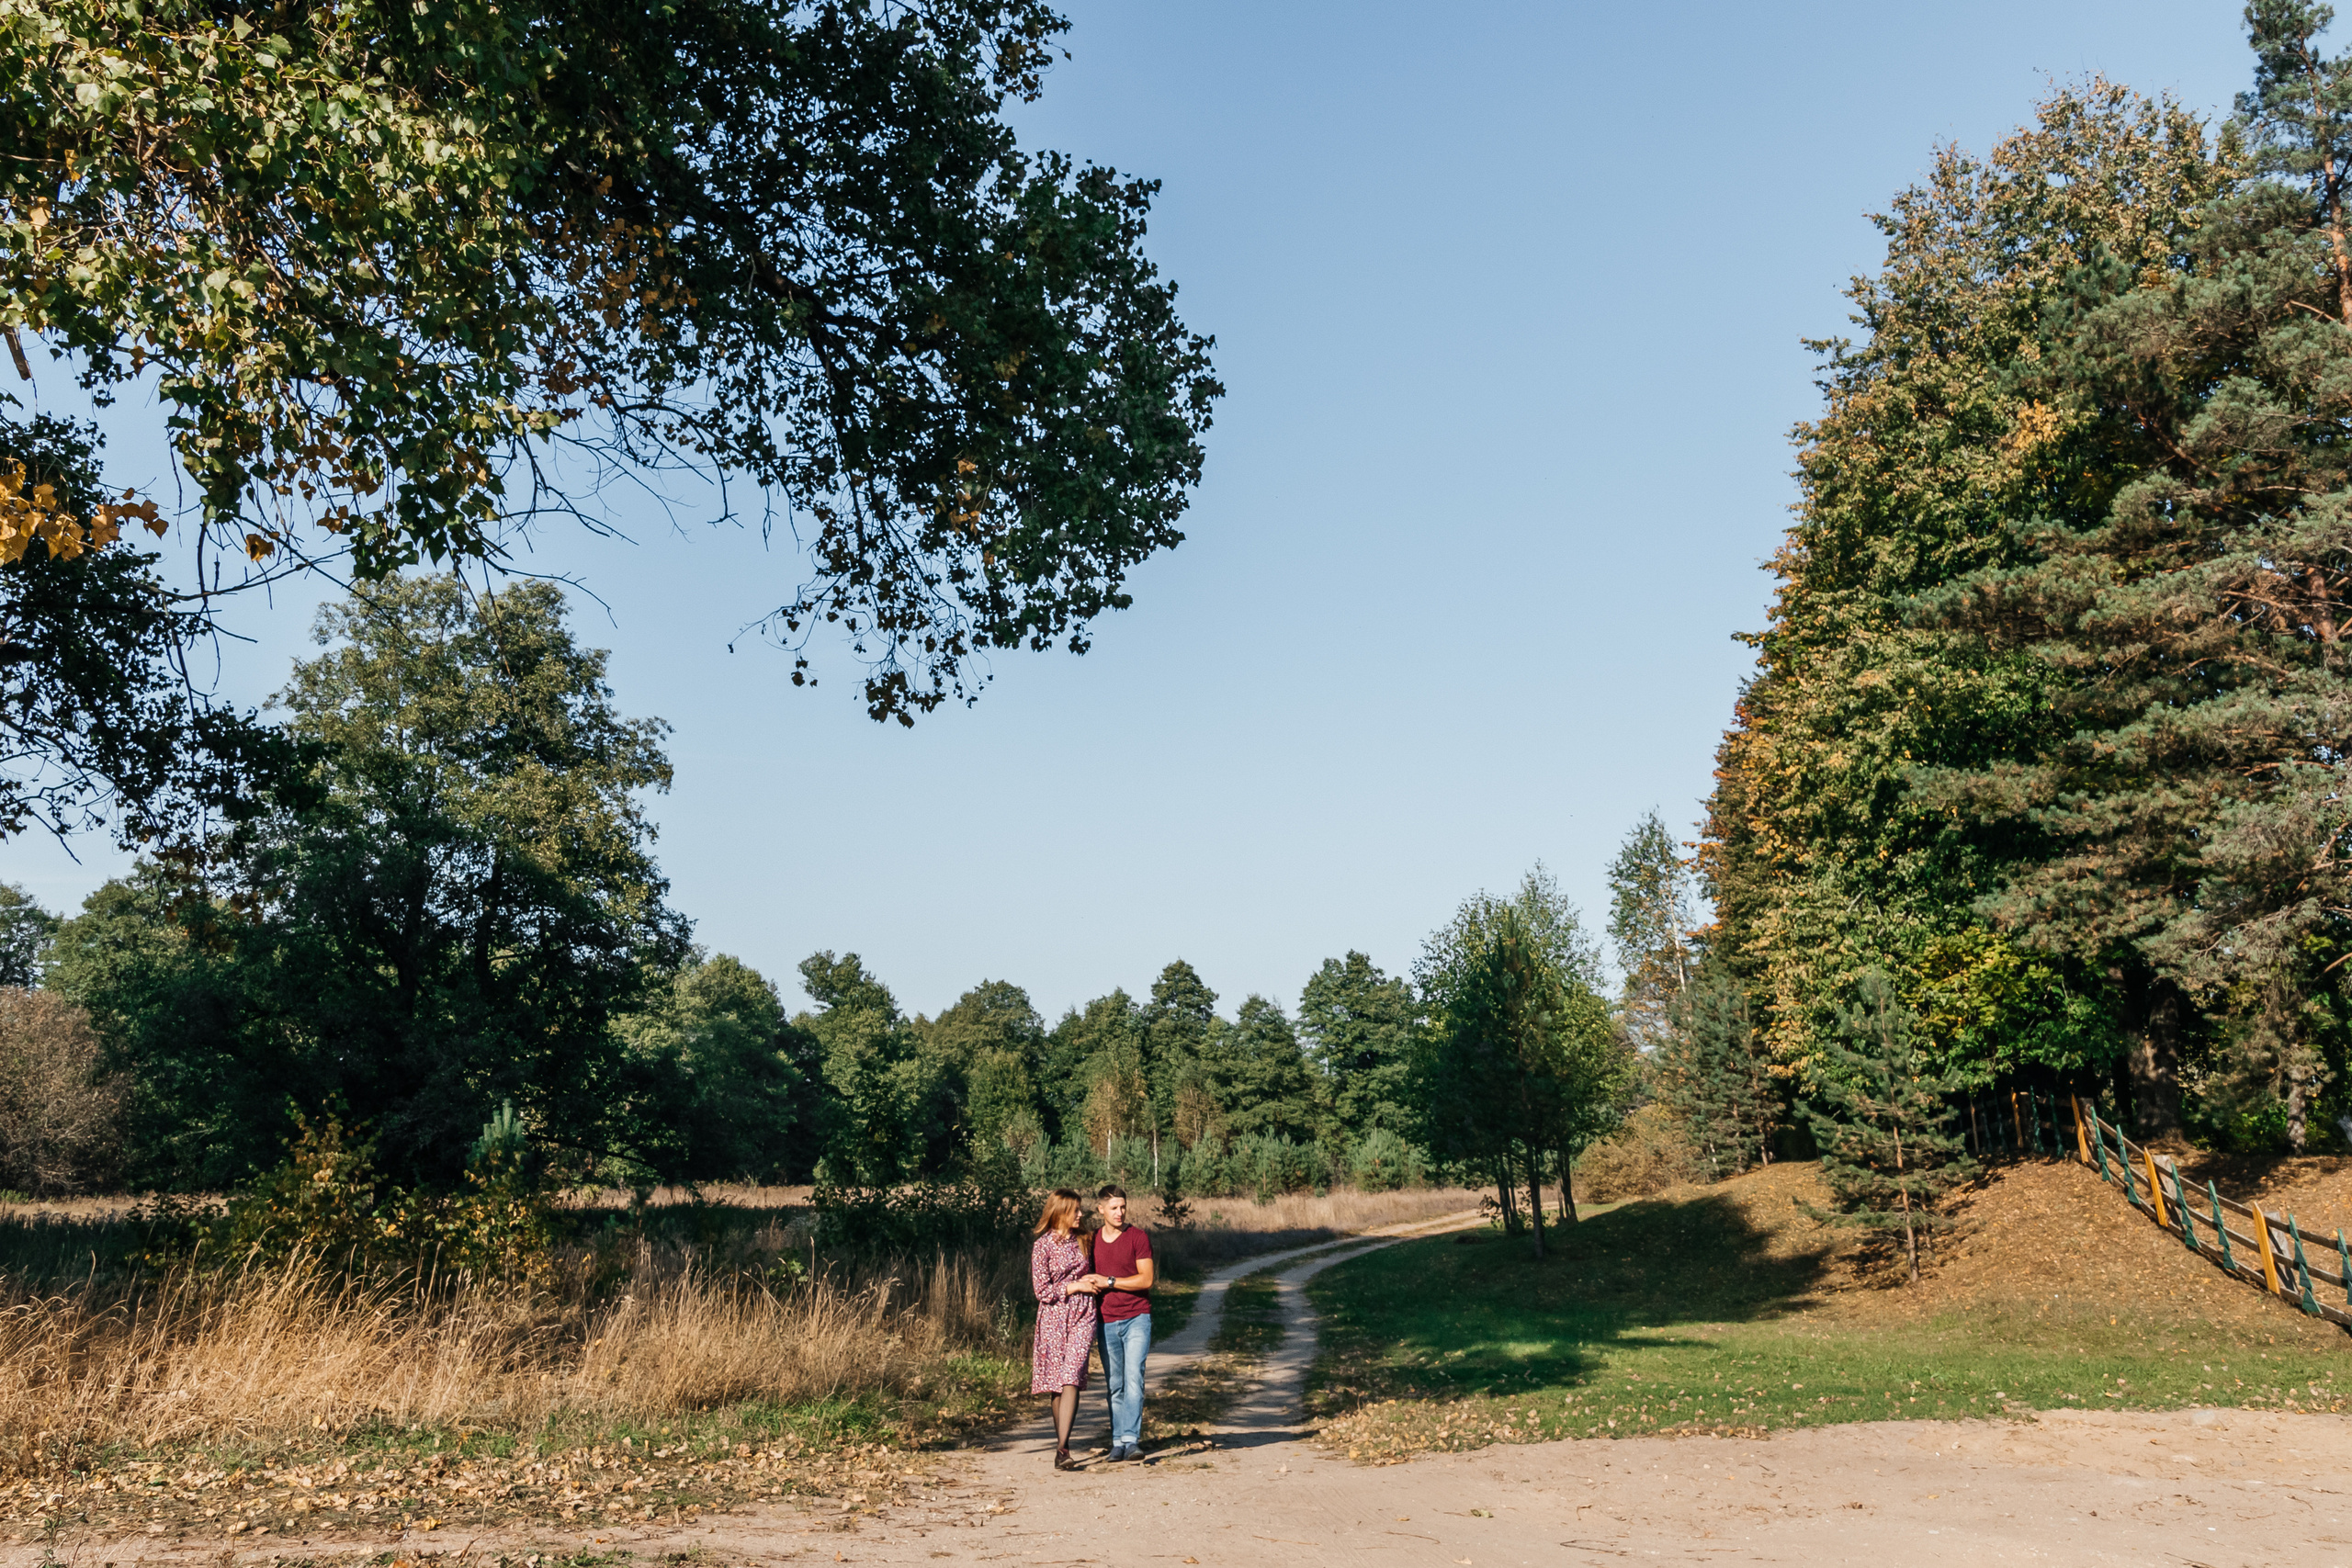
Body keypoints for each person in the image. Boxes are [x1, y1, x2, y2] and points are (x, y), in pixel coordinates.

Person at [1029, 1187, 1111, 1471]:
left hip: (1083, 1314)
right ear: (1060, 1213)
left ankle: (1063, 1447)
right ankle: (1062, 1447)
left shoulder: (1085, 1240)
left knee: (1072, 1376)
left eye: (1080, 1210)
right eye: (1075, 1210)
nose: (1080, 1214)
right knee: (1056, 1382)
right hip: (1053, 1317)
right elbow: (1042, 1290)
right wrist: (1075, 1285)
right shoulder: (1043, 1246)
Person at [1091, 1182, 1155, 1461]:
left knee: (1133, 1378)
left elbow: (1147, 1279)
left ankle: (1131, 1440)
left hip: (1137, 1317)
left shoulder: (1137, 1237)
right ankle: (1117, 1441)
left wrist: (1111, 1281)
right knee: (1114, 1383)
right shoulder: (1091, 1240)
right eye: (1114, 1208)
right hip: (1106, 1321)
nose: (1120, 1213)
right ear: (1101, 1209)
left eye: (1123, 1207)